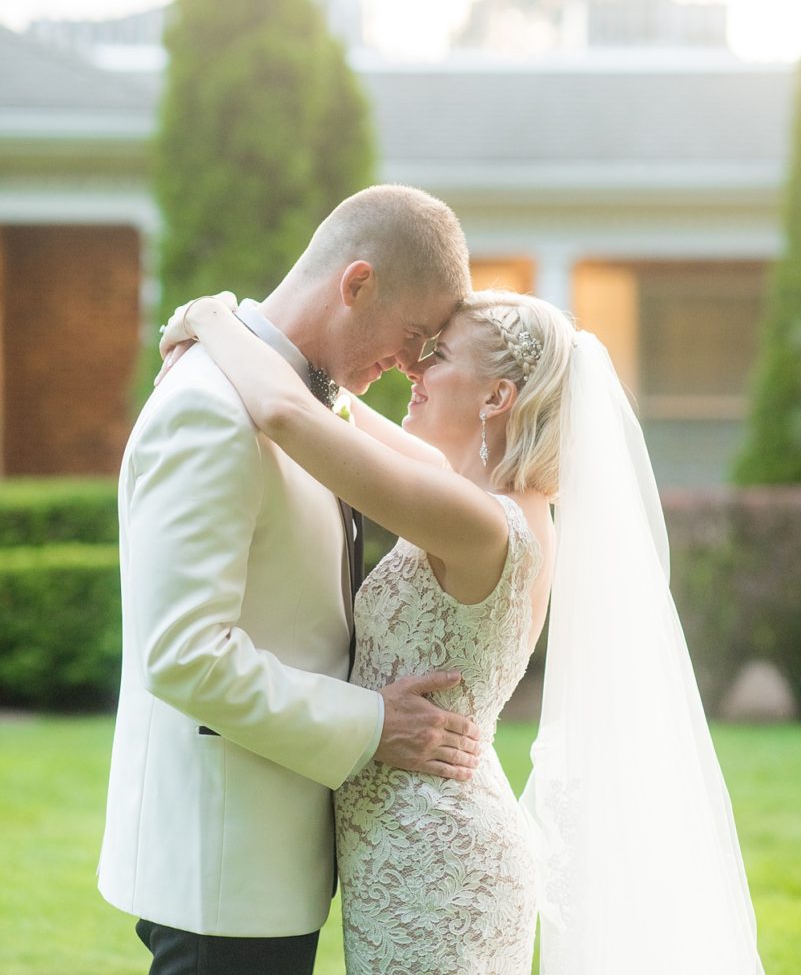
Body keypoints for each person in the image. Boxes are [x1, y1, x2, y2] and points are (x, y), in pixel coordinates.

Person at [159, 286, 766, 975]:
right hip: (410, 833)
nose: (413, 370)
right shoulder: (479, 498)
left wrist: (212, 317)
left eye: (438, 356)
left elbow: (285, 415)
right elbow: (332, 406)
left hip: (435, 855)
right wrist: (255, 336)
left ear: (495, 397)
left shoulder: (479, 522)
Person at [97, 185, 484, 975]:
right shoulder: (209, 406)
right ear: (356, 284)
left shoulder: (305, 399)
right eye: (413, 335)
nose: (412, 365)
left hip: (269, 854)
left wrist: (217, 315)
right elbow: (184, 655)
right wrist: (375, 723)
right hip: (223, 863)